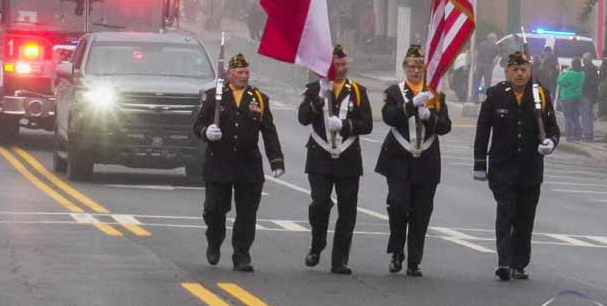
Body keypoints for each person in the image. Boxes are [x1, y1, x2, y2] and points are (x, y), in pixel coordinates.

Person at [192, 53, 285, 272]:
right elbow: (198, 125)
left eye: (247, 72)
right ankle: (214, 243)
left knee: (247, 214)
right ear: (230, 74)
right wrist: (207, 132)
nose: (244, 76)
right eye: (240, 72)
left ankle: (241, 255)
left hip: (248, 164)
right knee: (214, 211)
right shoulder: (215, 96)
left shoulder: (258, 98)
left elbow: (269, 132)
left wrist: (276, 160)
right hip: (219, 162)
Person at [474, 50, 560, 281]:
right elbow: (483, 130)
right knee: (506, 214)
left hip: (530, 169)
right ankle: (503, 262)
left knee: (525, 218)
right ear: (507, 71)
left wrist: (550, 143)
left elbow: (552, 128)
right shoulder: (495, 95)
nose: (520, 73)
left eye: (524, 69)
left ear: (530, 71)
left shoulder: (540, 94)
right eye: (515, 69)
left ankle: (519, 263)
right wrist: (479, 163)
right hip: (502, 167)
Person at [377, 44, 451, 277]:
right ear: (404, 67)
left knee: (421, 212)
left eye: (420, 66)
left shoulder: (435, 94)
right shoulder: (394, 92)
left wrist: (430, 116)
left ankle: (414, 261)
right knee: (398, 205)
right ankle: (397, 251)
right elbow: (388, 117)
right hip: (398, 159)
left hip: (426, 161)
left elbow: (445, 126)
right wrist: (410, 105)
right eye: (412, 66)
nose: (416, 70)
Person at [298, 44, 372, 275]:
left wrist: (347, 125)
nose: (341, 68)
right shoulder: (314, 89)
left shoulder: (358, 91)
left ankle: (339, 259)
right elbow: (303, 118)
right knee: (320, 204)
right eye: (337, 64)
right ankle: (317, 243)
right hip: (320, 157)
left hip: (348, 158)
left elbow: (367, 124)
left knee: (348, 211)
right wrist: (319, 98)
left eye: (344, 64)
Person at [557, 58, 585, 142]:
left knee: (568, 117)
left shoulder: (570, 74)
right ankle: (578, 135)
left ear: (573, 65)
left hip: (567, 97)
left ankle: (569, 135)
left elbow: (559, 81)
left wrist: (562, 73)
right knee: (576, 116)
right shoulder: (582, 74)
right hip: (577, 97)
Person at [473, 32, 499, 101]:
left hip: (479, 65)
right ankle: (487, 99)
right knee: (487, 83)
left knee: (477, 81)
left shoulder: (481, 44)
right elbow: (497, 57)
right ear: (493, 39)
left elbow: (476, 54)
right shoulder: (495, 46)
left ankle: (475, 98)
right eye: (496, 39)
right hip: (488, 65)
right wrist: (493, 65)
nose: (496, 40)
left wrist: (476, 63)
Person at [580, 53, 599, 141]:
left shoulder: (584, 69)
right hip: (593, 95)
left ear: (586, 60)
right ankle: (590, 132)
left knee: (585, 114)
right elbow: (596, 83)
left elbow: (584, 82)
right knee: (590, 115)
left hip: (585, 94)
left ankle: (586, 133)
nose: (583, 61)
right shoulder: (594, 69)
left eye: (584, 59)